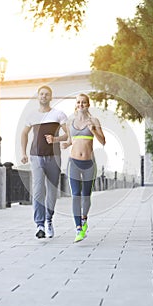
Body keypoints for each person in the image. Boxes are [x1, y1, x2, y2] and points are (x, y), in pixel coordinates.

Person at [21, 85, 68, 239]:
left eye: (47, 94)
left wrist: (55, 139)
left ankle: (49, 219)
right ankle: (40, 224)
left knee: (52, 192)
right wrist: (23, 153)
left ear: (50, 97)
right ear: (38, 96)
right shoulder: (32, 115)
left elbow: (68, 135)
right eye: (41, 94)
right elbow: (24, 134)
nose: (44, 96)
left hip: (54, 157)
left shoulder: (58, 114)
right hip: (36, 156)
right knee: (38, 190)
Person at [61, 93, 106, 242]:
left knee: (86, 195)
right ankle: (78, 228)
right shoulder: (70, 122)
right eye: (79, 102)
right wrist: (65, 144)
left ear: (88, 104)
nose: (81, 105)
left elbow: (103, 141)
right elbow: (70, 140)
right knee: (76, 195)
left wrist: (93, 130)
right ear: (76, 105)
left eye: (84, 102)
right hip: (73, 162)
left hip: (89, 164)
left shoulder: (94, 121)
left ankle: (84, 219)